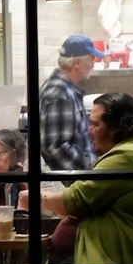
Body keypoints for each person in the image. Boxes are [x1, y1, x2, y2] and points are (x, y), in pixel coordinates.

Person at [35, 92, 133, 264]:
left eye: (95, 125)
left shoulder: (129, 155)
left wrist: (35, 199)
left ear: (116, 127)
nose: (89, 131)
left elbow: (75, 200)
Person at [39, 34, 103, 172]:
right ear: (77, 63)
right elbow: (55, 147)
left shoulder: (64, 89)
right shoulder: (60, 93)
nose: (93, 63)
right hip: (71, 183)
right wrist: (92, 168)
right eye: (91, 58)